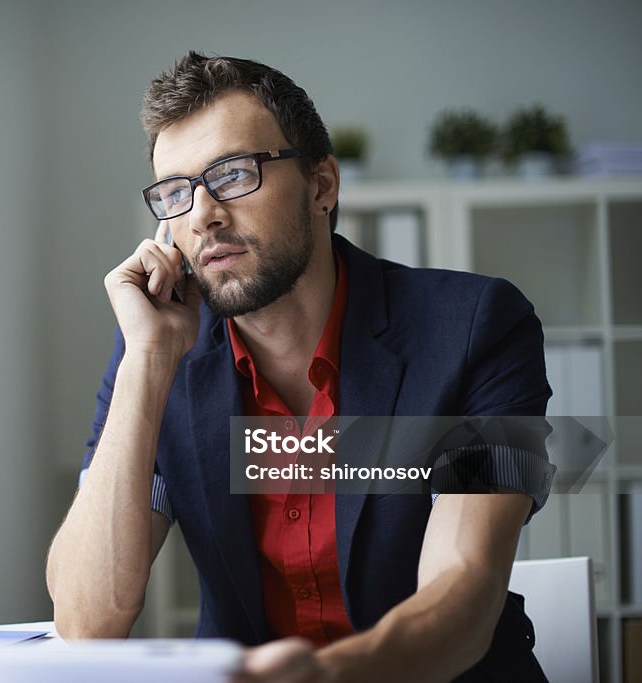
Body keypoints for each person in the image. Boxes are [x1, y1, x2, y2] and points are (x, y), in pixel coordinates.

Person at [45, 51, 552, 682]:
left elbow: (464, 591)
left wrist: (335, 675)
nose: (202, 213)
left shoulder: (479, 326)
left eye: (232, 175)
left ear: (322, 185)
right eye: (175, 193)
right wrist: (147, 361)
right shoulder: (153, 354)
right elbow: (87, 622)